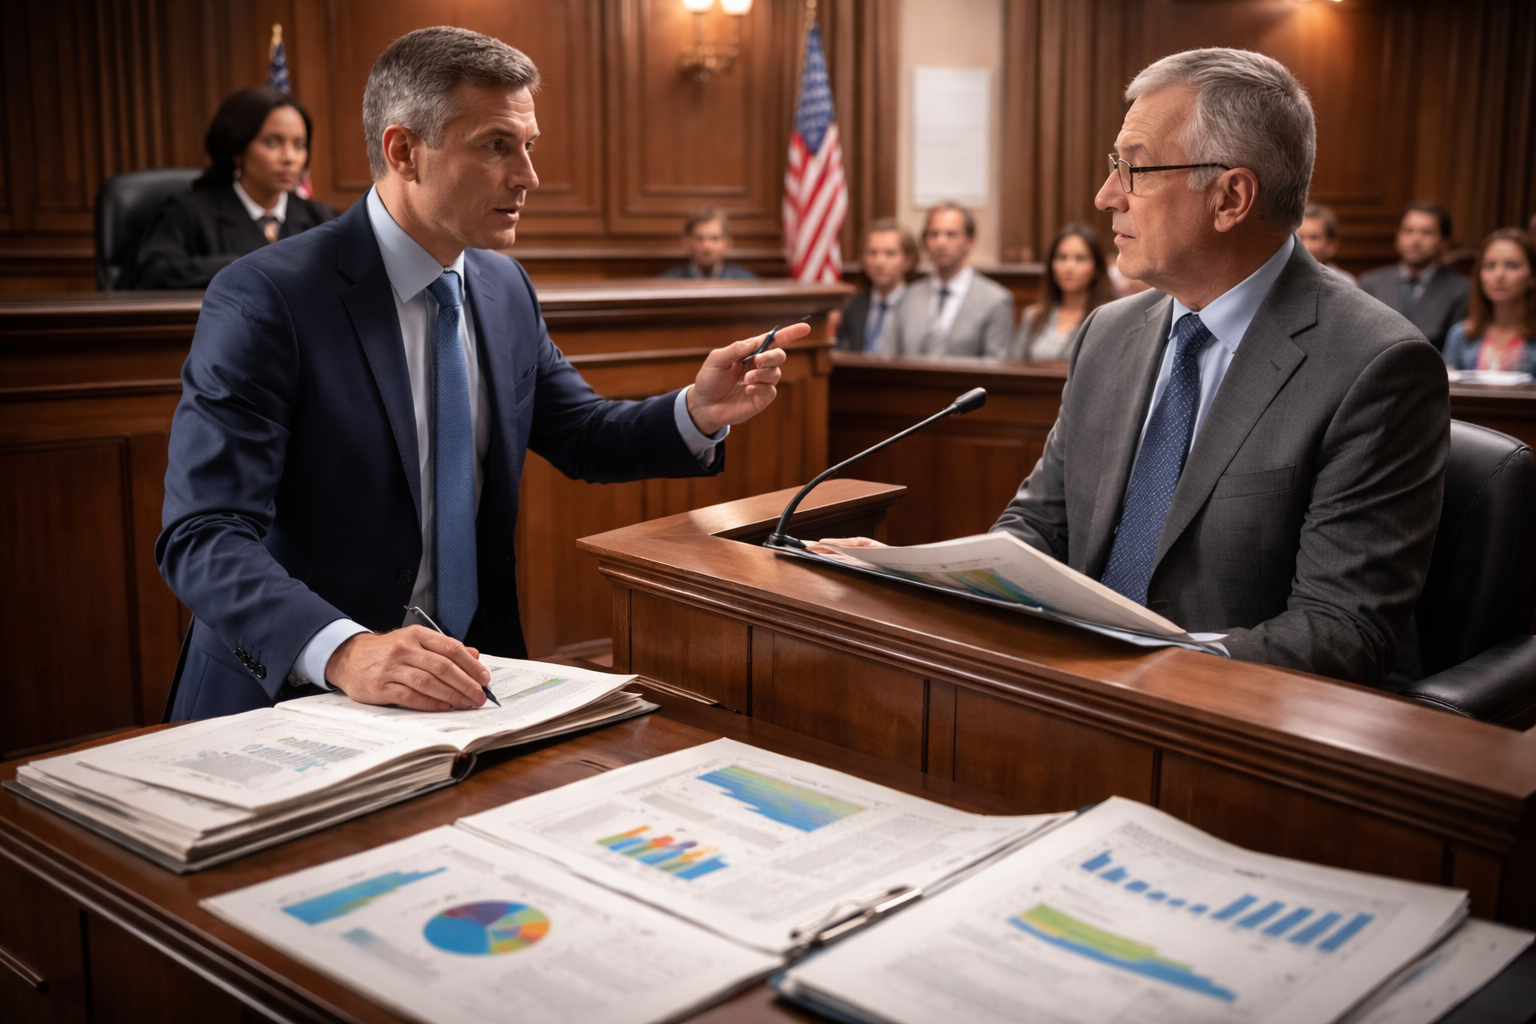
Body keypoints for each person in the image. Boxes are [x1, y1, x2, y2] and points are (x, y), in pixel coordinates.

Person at [157, 27, 802, 720]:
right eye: (497, 145)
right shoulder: (268, 297)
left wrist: (697, 412)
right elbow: (204, 534)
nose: (528, 176)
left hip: (465, 693)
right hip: (288, 699)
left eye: (529, 146)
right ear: (404, 151)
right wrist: (347, 651)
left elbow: (581, 433)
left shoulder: (503, 288)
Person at [820, 48, 1449, 689]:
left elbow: (1342, 634)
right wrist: (934, 580)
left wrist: (1136, 670)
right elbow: (1042, 524)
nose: (1106, 196)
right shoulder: (1109, 333)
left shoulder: (1376, 367)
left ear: (1231, 196)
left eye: (1135, 170)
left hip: (1234, 731)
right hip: (1076, 693)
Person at [135, 86, 337, 289]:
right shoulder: (187, 212)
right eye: (272, 142)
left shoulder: (321, 218)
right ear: (237, 149)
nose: (289, 158)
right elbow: (154, 271)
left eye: (299, 145)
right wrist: (250, 266)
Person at [883, 202, 1014, 358]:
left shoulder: (995, 300)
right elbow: (890, 357)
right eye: (933, 234)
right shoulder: (907, 296)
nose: (941, 242)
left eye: (951, 234)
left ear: (969, 242)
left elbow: (996, 368)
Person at [1358, 201, 1468, 350]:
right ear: (1397, 238)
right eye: (1408, 231)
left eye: (1426, 232)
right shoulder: (1371, 284)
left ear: (1444, 243)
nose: (1415, 239)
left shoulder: (1461, 289)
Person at [1007, 222, 1115, 361]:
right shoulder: (1033, 316)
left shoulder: (1108, 320)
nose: (1069, 267)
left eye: (1080, 258)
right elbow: (1013, 368)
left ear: (1097, 269)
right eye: (1062, 257)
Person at [1443, 228, 1536, 374]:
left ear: (1532, 276)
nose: (1499, 275)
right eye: (1490, 266)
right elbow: (1445, 391)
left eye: (1512, 265)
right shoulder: (1460, 335)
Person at [833, 218, 917, 352]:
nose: (879, 261)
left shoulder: (920, 304)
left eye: (890, 253)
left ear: (908, 261)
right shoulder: (853, 304)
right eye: (872, 253)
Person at [659, 206, 758, 280]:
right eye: (699, 238)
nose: (706, 246)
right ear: (686, 242)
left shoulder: (746, 283)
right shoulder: (667, 283)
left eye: (714, 239)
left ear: (728, 243)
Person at [1296, 202, 1355, 284]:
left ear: (1331, 246)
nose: (1304, 245)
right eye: (1299, 237)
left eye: (1313, 238)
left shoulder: (1345, 283)